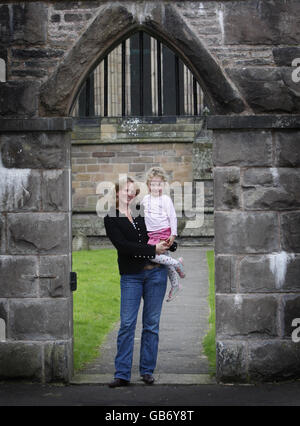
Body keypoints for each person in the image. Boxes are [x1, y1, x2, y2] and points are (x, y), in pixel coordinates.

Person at [104, 176, 169, 388]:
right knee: (127, 324)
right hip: (131, 276)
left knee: (151, 325)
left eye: (133, 191)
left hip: (156, 274)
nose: (130, 194)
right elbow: (124, 246)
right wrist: (152, 249)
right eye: (125, 190)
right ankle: (122, 373)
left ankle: (147, 371)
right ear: (116, 192)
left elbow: (154, 234)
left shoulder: (141, 210)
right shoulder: (111, 217)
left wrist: (169, 243)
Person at [141, 167, 185, 302]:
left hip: (164, 233)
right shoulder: (145, 200)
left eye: (159, 184)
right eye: (153, 184)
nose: (156, 187)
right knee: (165, 261)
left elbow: (172, 217)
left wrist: (173, 235)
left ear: (163, 185)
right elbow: (142, 217)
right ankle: (176, 284)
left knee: (152, 255)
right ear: (148, 185)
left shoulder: (165, 199)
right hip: (151, 235)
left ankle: (177, 263)